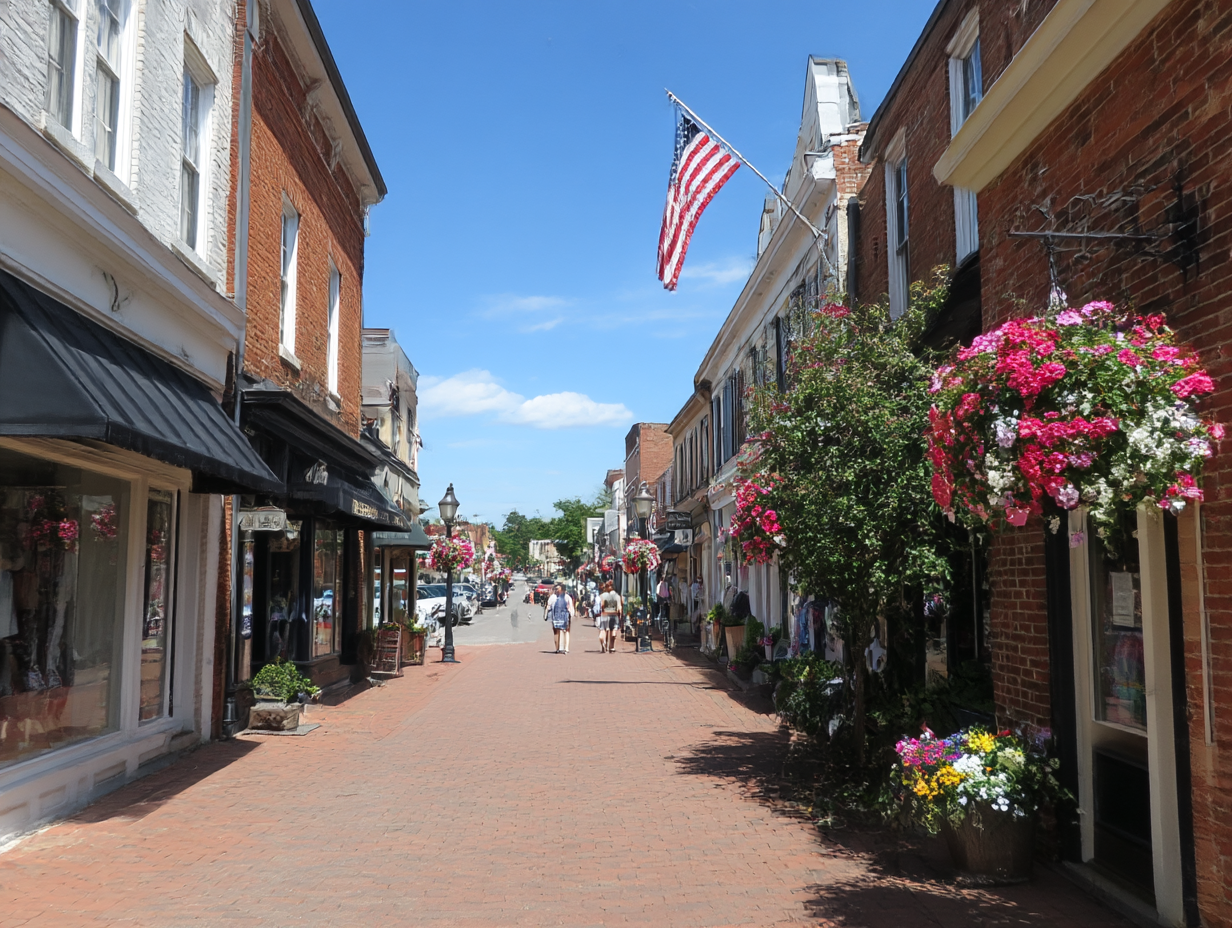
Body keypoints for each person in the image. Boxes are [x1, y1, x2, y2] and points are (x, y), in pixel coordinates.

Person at [544, 583, 574, 654]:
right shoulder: (553, 597)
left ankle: (566, 648)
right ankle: (557, 648)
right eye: (556, 589)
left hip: (565, 617)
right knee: (556, 632)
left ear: (562, 589)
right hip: (555, 617)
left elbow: (570, 606)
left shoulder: (567, 597)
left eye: (558, 589)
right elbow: (548, 606)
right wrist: (546, 615)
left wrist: (571, 614)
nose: (556, 590)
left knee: (566, 631)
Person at [598, 580, 622, 654]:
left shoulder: (603, 595)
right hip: (614, 615)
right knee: (613, 630)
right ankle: (611, 647)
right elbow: (619, 607)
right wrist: (620, 615)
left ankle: (603, 641)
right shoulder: (617, 596)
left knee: (604, 630)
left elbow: (601, 605)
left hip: (605, 614)